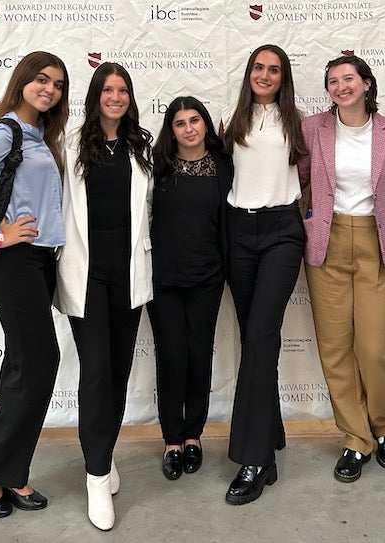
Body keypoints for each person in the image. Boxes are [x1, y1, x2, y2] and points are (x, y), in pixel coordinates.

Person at [0, 51, 69, 518]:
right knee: (40, 358)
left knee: (26, 363)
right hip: (12, 260)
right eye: (41, 79)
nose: (49, 89)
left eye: (58, 84)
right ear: (22, 81)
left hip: (38, 260)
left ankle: (10, 471)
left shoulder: (39, 134)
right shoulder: (6, 131)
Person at [53, 62, 154, 531]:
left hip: (128, 272)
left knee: (117, 370)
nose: (115, 97)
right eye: (107, 89)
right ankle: (96, 476)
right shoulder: (70, 145)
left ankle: (103, 452)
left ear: (130, 97)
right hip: (87, 273)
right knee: (95, 372)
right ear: (95, 96)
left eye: (123, 90)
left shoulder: (140, 146)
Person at [298, 55, 385, 483]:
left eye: (348, 79)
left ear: (365, 84)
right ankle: (355, 438)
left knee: (375, 349)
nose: (340, 87)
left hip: (379, 244)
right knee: (336, 349)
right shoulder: (313, 129)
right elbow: (302, 180)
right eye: (332, 81)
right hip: (328, 245)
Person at [220, 44, 306, 505]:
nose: (265, 75)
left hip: (281, 231)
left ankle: (253, 459)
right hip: (238, 231)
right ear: (249, 72)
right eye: (259, 67)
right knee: (257, 340)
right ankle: (269, 437)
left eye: (274, 69)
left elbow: (316, 175)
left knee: (258, 337)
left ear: (284, 76)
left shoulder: (298, 122)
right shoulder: (229, 123)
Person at [148, 96, 233, 482]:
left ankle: (194, 435)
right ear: (172, 129)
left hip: (207, 277)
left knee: (199, 355)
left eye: (195, 120)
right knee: (172, 357)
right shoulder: (156, 167)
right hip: (162, 279)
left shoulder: (223, 168)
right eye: (180, 123)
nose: (189, 128)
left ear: (205, 124)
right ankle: (171, 439)